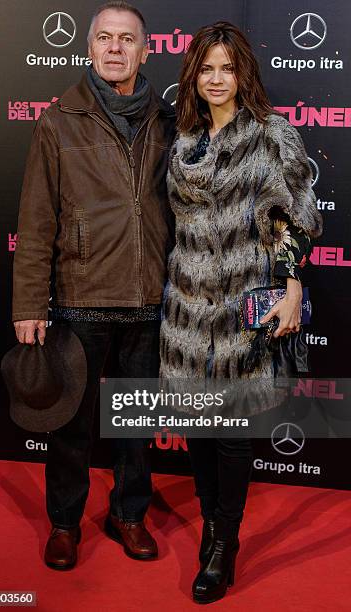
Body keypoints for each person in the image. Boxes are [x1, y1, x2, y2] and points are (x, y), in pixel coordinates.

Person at [160, 21, 322, 604]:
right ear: (193, 76)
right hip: (183, 311)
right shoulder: (181, 139)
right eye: (207, 69)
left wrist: (293, 284)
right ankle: (209, 522)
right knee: (200, 432)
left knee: (230, 436)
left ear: (243, 73)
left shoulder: (271, 135)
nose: (217, 79)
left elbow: (294, 216)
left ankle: (224, 545)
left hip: (238, 314)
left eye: (227, 68)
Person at [12, 2, 175, 570]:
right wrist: (29, 303)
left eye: (126, 39)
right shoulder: (58, 120)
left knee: (135, 425)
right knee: (71, 425)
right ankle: (64, 523)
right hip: (81, 297)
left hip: (149, 299)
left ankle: (128, 515)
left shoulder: (169, 119)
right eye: (104, 38)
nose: (114, 48)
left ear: (145, 50)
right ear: (88, 47)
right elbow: (36, 221)